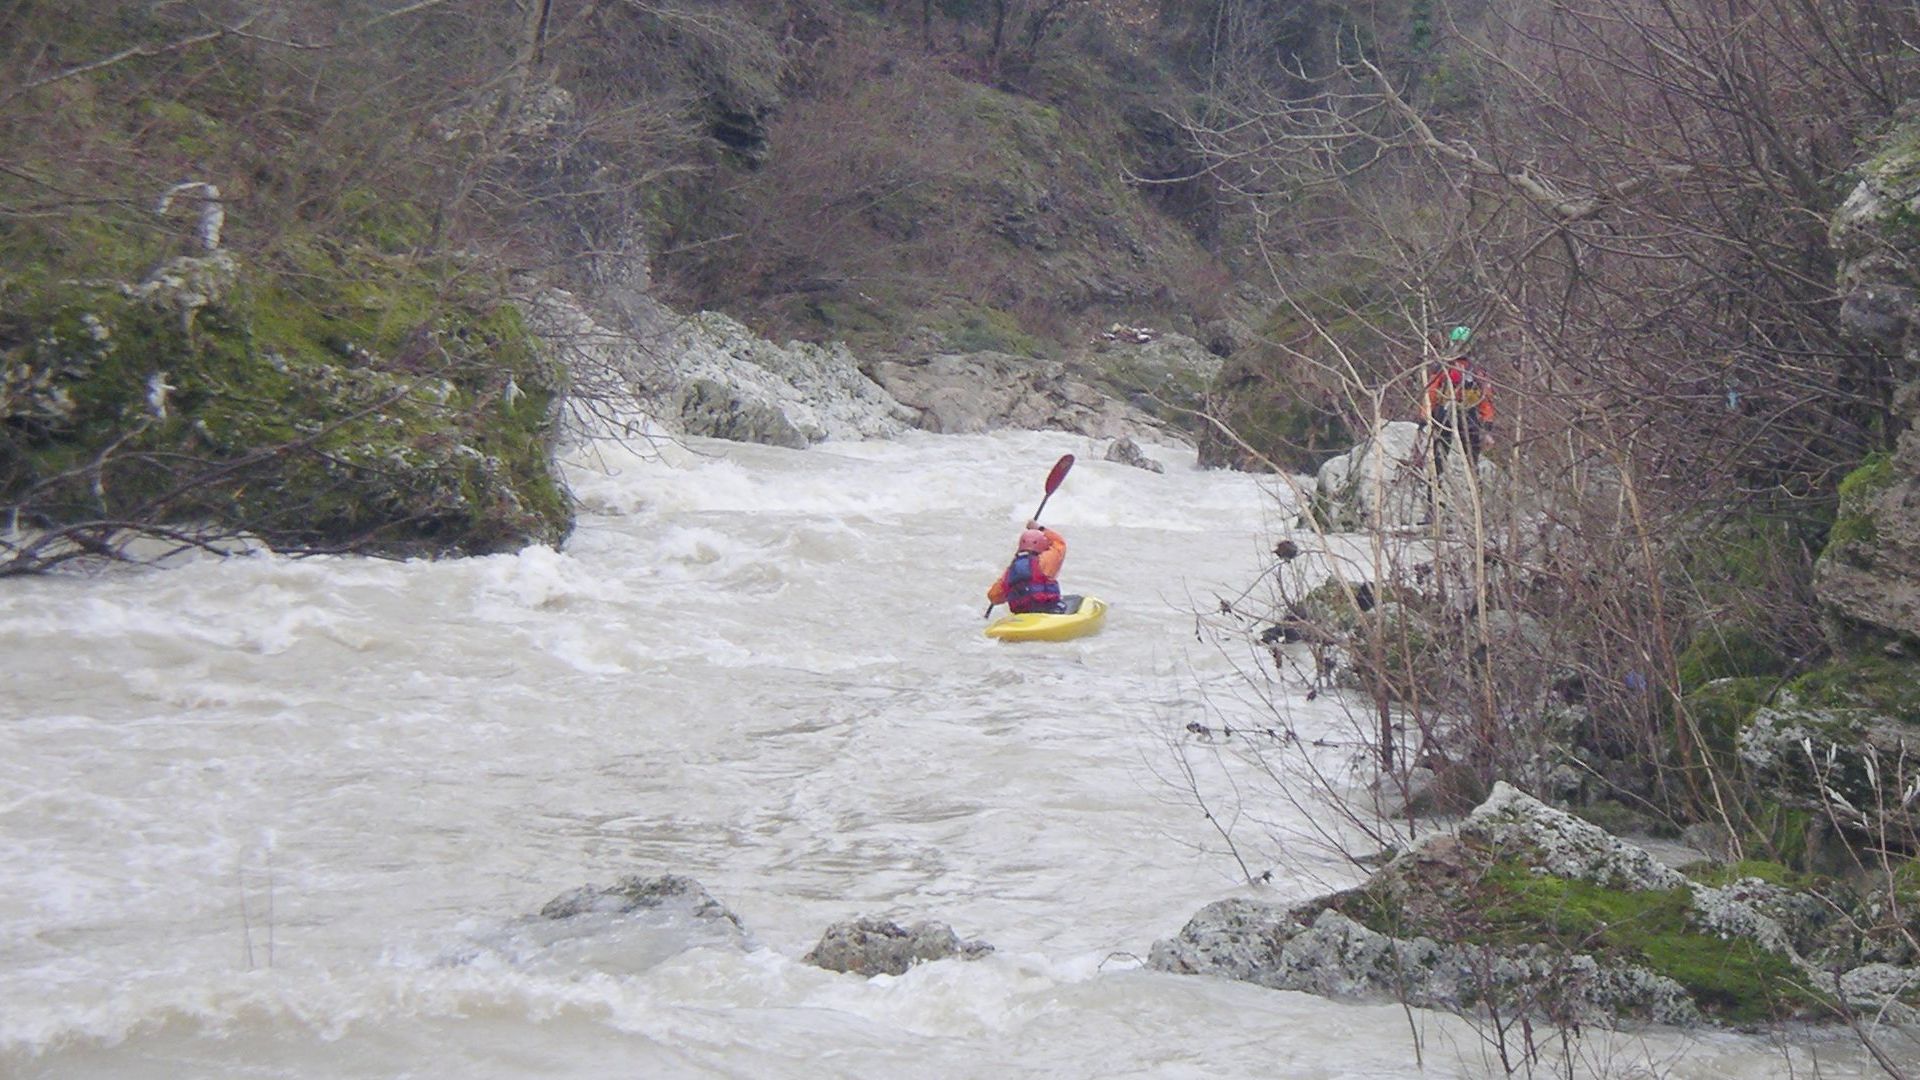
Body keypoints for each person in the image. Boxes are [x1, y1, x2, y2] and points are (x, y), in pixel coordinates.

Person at [1420, 326, 1494, 467]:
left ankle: (1468, 477)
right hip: (1446, 411)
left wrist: (1487, 422)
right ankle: (1437, 480)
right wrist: (1425, 415)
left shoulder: (1476, 370)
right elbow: (1432, 392)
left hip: (1466, 412)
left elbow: (1485, 397)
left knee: (1470, 453)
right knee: (1441, 453)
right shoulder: (1445, 366)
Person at [987, 520, 1070, 615]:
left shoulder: (1011, 570)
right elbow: (1059, 543)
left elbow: (993, 596)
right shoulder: (1047, 560)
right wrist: (1040, 528)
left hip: (1023, 615)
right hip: (1048, 611)